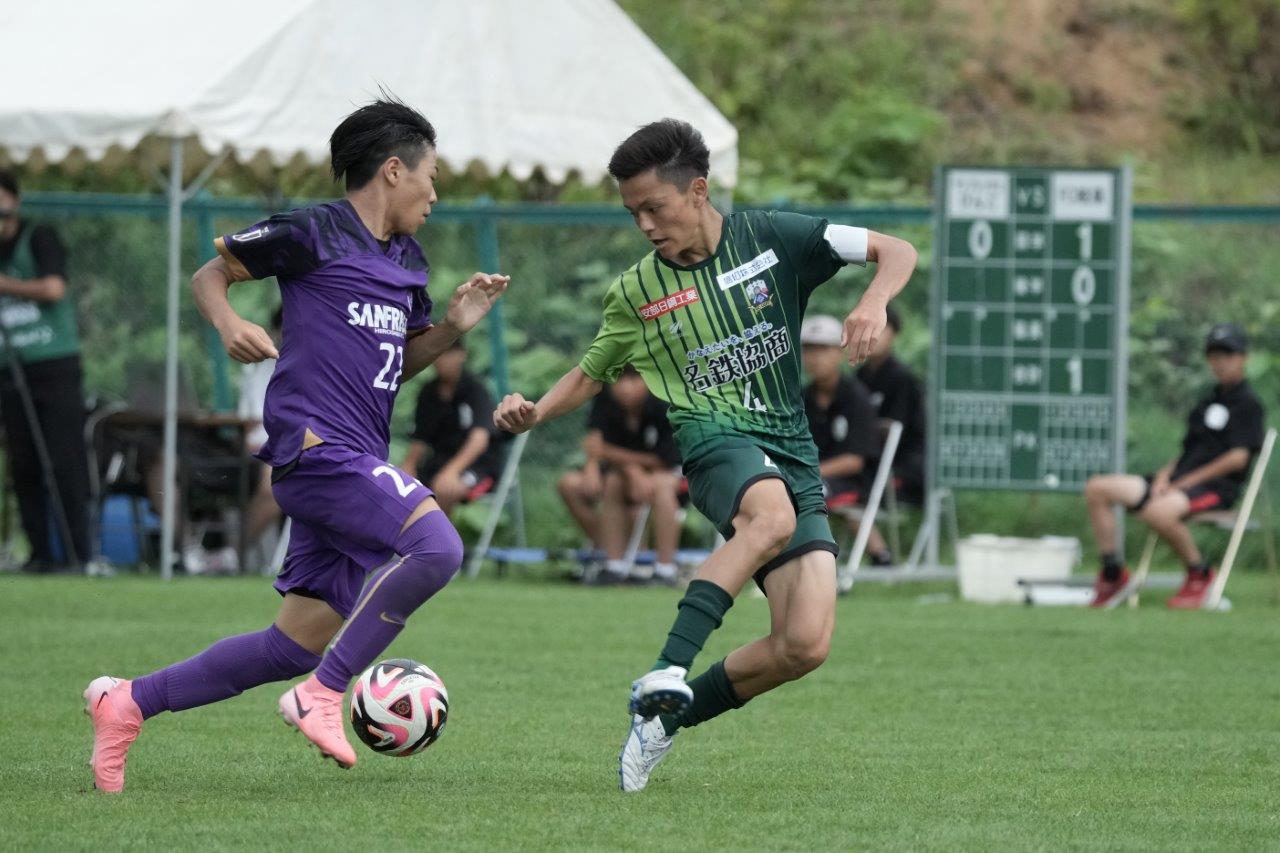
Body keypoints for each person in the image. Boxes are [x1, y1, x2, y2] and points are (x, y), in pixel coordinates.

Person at [83, 96, 509, 793]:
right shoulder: (314, 229)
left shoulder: (408, 261)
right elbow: (209, 274)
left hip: (357, 458)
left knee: (291, 645)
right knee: (438, 547)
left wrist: (454, 326)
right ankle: (324, 692)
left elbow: (396, 365)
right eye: (431, 177)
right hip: (317, 449)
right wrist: (228, 324)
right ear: (394, 170)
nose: (435, 194)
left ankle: (126, 702)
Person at [494, 119, 917, 792]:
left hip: (791, 449)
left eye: (653, 207)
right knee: (770, 518)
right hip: (714, 441)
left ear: (697, 190)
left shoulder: (774, 237)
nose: (644, 225)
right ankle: (666, 668)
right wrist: (535, 412)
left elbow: (895, 249)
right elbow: (591, 372)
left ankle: (663, 721)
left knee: (804, 644)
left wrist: (874, 301)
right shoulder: (638, 292)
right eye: (632, 213)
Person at [1083, 323, 1266, 609]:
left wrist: (1186, 482)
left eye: (1228, 355)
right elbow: (1188, 452)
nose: (1221, 362)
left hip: (1215, 488)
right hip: (1177, 482)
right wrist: (1164, 477)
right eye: (1215, 356)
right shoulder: (1207, 402)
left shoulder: (1248, 405)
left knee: (1158, 511)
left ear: (1243, 357)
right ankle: (1112, 573)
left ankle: (1199, 574)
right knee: (1098, 488)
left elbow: (1237, 458)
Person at [0, 168, 92, 572]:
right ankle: (39, 554)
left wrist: (6, 284)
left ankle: (78, 553)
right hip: (10, 366)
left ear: (14, 202)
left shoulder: (39, 236)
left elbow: (54, 288)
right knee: (23, 463)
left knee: (63, 459)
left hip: (53, 365)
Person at [586, 365, 683, 586]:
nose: (625, 387)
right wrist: (631, 469)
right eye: (620, 379)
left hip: (671, 473)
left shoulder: (664, 401)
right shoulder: (605, 400)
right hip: (623, 473)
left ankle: (665, 570)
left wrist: (611, 454)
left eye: (634, 379)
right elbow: (594, 444)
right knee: (612, 483)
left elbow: (665, 459)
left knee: (661, 486)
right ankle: (613, 567)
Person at [798, 315, 882, 561]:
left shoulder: (857, 397)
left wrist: (809, 472)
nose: (814, 358)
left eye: (823, 349)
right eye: (808, 350)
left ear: (839, 353)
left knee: (805, 491)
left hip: (853, 482)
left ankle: (814, 558)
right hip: (812, 476)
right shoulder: (800, 397)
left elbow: (854, 461)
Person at [855, 305, 927, 563]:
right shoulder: (860, 376)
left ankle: (881, 555)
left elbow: (897, 430)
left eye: (880, 329)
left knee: (849, 488)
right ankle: (879, 554)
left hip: (904, 467)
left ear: (894, 335)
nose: (873, 335)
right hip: (869, 462)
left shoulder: (902, 378)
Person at [401, 341, 501, 516]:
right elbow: (421, 438)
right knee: (402, 484)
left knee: (444, 487)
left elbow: (479, 440)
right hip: (438, 461)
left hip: (478, 466)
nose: (441, 359)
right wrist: (408, 466)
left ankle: (439, 534)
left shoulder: (476, 390)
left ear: (461, 355)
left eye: (447, 353)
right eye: (438, 352)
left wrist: (451, 472)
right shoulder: (428, 392)